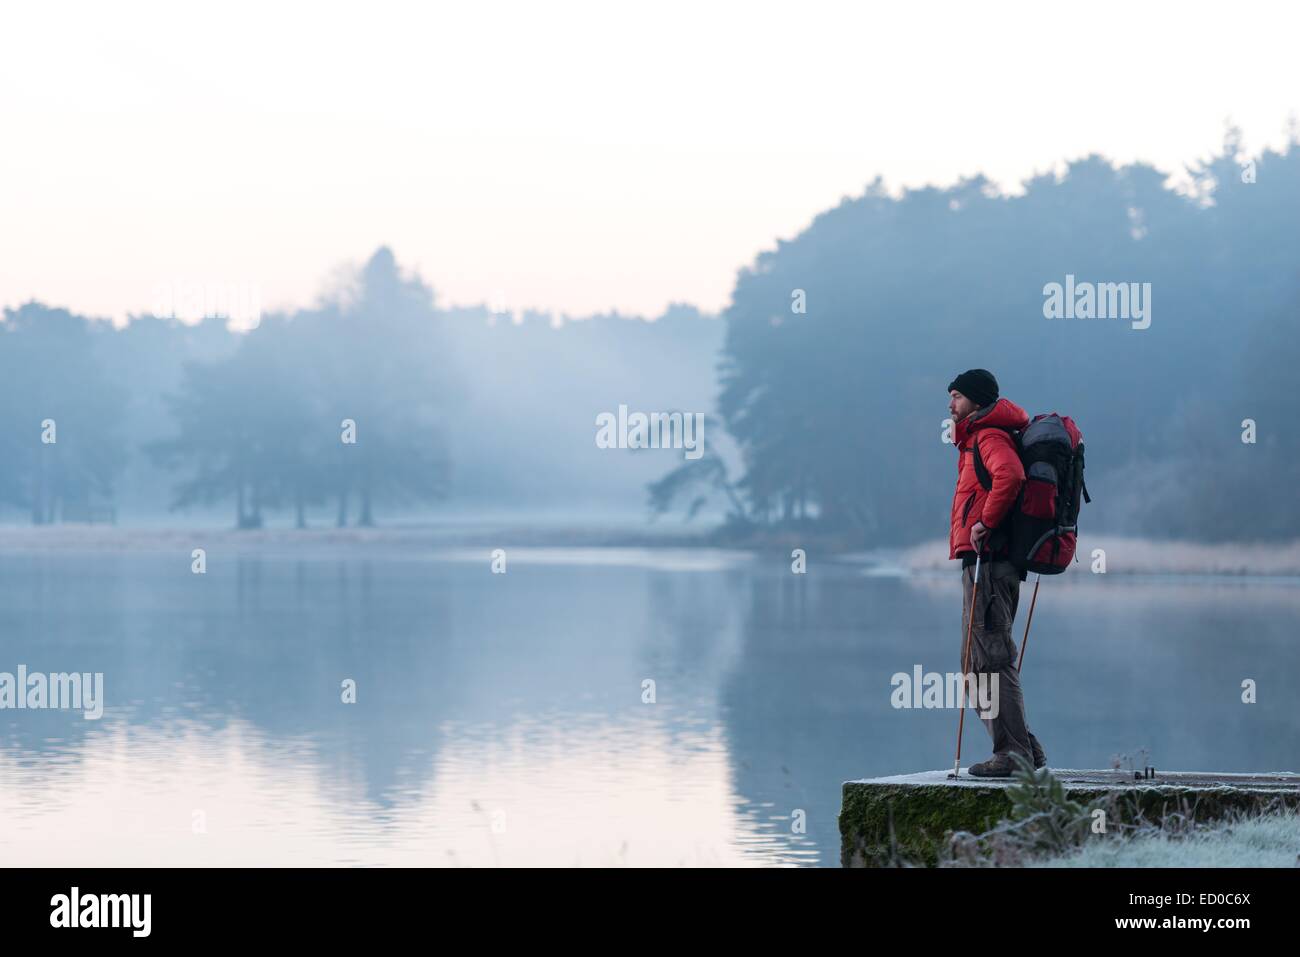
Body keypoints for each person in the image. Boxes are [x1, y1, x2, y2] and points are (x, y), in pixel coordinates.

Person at [947, 369, 1046, 776]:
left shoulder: (989, 436)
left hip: (991, 560)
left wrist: (985, 522)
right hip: (985, 563)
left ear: (976, 399)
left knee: (989, 659)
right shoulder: (979, 437)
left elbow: (1011, 475)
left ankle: (1013, 755)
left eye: (956, 396)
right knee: (979, 660)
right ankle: (1024, 749)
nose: (950, 404)